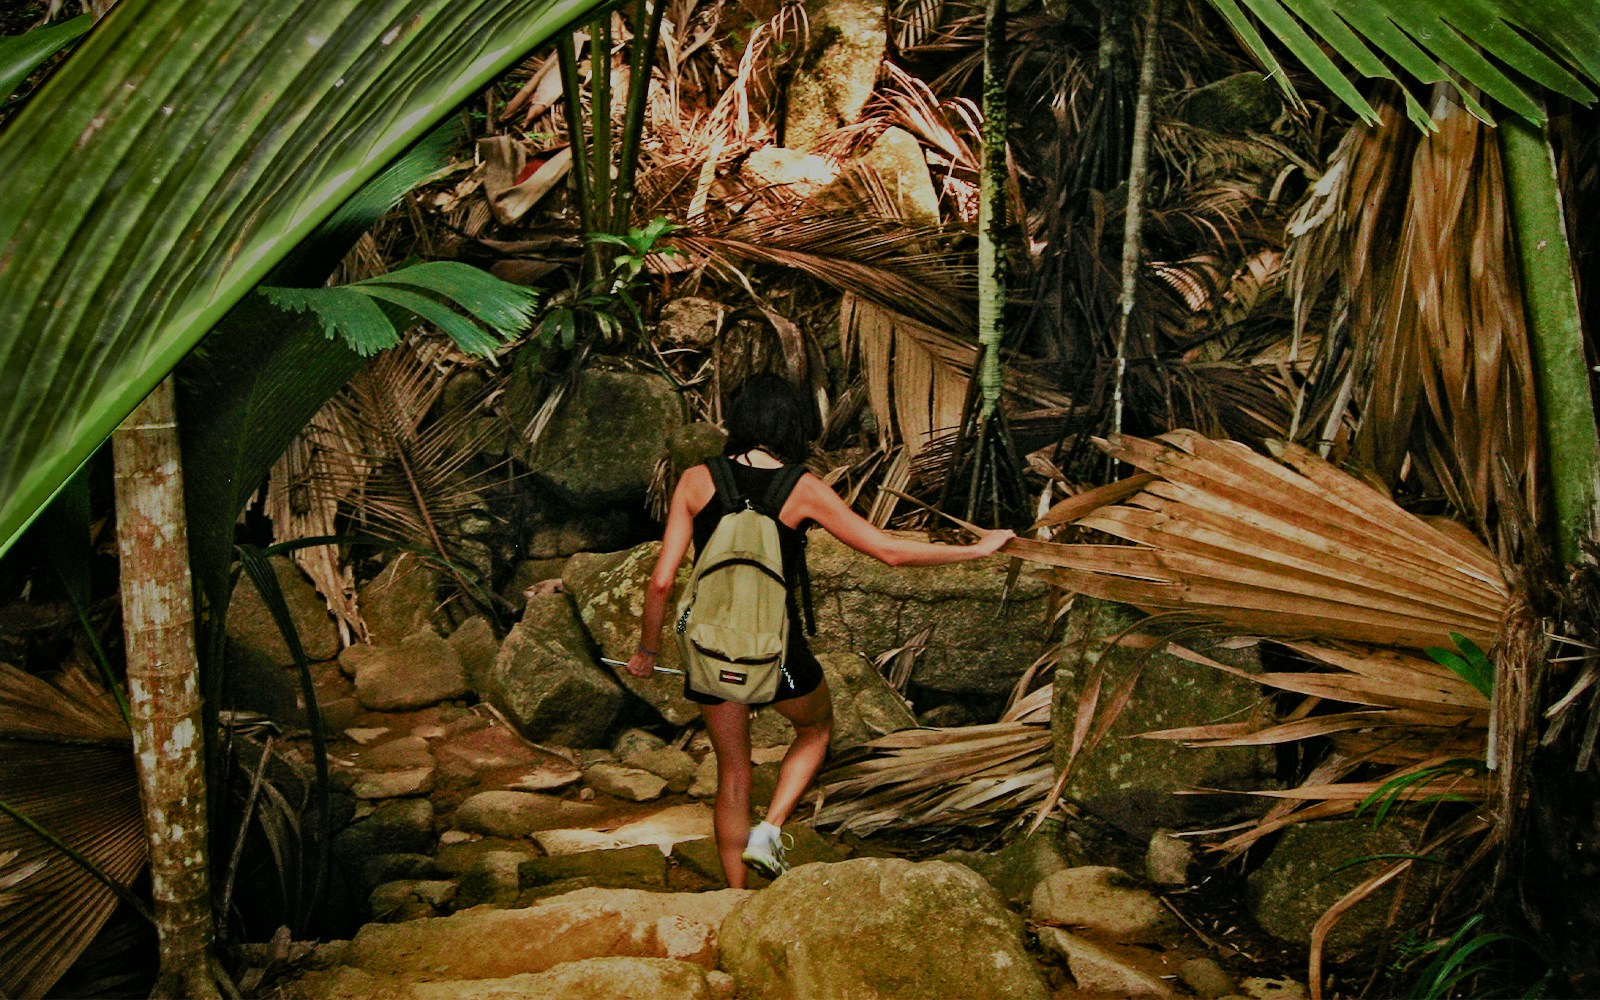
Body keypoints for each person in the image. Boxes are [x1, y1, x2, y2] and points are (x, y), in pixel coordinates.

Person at [626, 374, 1014, 888]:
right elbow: (889, 552)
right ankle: (770, 830)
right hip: (777, 648)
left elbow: (661, 581)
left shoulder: (697, 479)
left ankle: (735, 897)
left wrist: (646, 651)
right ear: (793, 424)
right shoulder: (803, 487)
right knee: (815, 729)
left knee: (733, 771)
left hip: (710, 646)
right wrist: (975, 550)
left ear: (740, 421)